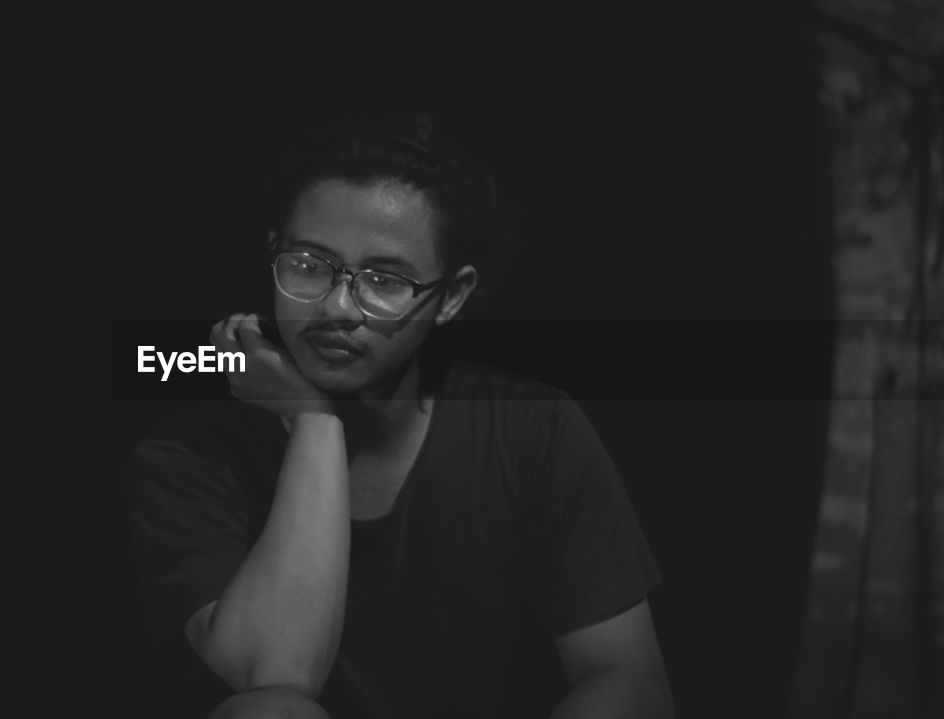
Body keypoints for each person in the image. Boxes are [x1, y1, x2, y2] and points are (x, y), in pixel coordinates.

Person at [126, 114, 673, 718]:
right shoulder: (188, 455)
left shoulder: (530, 426)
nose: (336, 307)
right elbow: (278, 675)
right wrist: (313, 420)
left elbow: (629, 682)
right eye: (308, 265)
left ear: (452, 297)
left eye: (385, 280)